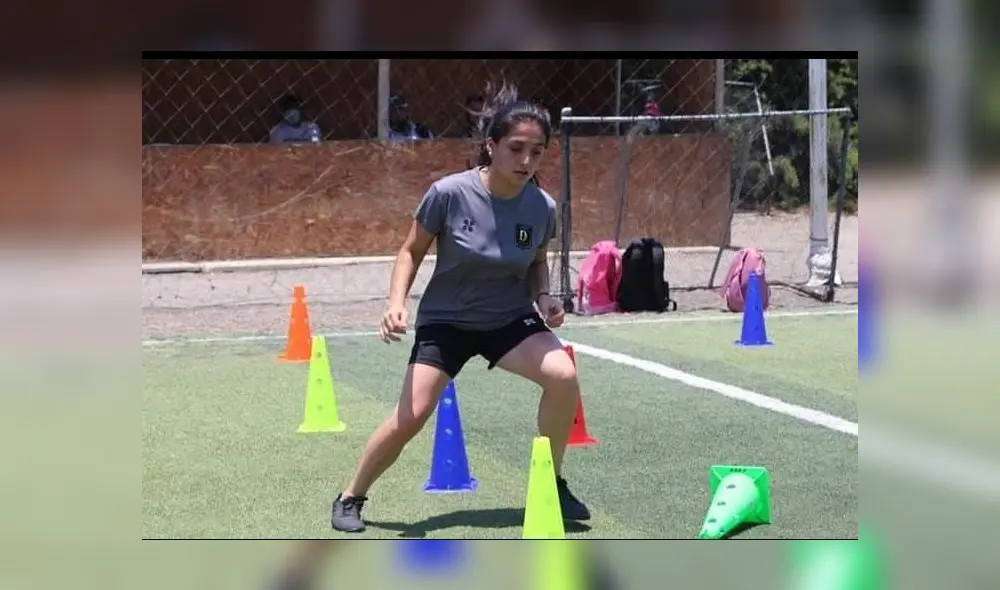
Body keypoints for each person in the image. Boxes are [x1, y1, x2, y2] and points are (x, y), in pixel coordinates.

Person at [330, 80, 591, 533]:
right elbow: (410, 251)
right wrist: (395, 304)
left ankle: (551, 482)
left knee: (563, 376)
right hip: (447, 321)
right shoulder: (449, 193)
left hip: (507, 319)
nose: (526, 161)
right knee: (411, 416)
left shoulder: (542, 207)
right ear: (491, 146)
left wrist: (544, 297)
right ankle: (350, 496)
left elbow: (537, 262)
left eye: (536, 152)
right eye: (516, 149)